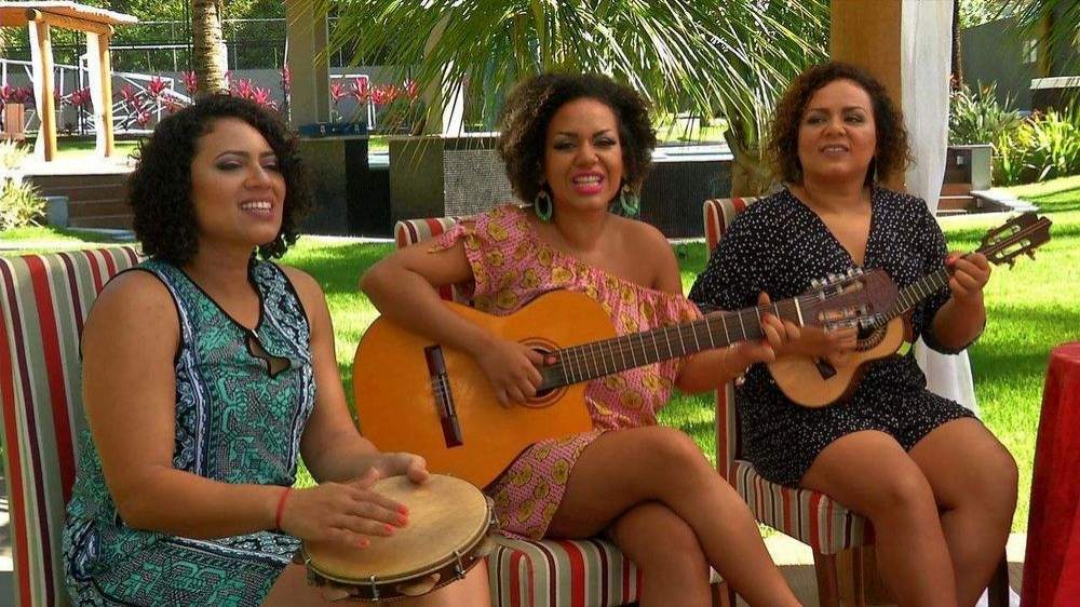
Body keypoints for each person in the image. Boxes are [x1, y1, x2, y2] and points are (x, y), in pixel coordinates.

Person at [361, 73, 801, 607]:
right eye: (565, 144)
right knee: (669, 448)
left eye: (604, 142)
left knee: (677, 546)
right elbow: (384, 279)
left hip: (622, 463)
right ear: (539, 162)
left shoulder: (651, 249)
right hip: (515, 458)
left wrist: (741, 354)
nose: (586, 157)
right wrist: (487, 346)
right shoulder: (510, 237)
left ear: (627, 156)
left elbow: (682, 368)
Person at [61, 95, 489, 607]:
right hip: (139, 551)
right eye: (230, 165)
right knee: (376, 597)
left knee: (446, 566)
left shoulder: (299, 293)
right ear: (178, 186)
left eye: (271, 165)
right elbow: (141, 496)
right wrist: (287, 507)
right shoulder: (142, 302)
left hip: (272, 533)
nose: (262, 180)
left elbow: (331, 441)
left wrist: (381, 472)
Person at [689, 61, 1018, 607]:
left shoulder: (909, 219)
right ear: (795, 137)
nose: (834, 129)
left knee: (993, 474)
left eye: (852, 118)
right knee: (902, 487)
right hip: (798, 411)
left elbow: (945, 336)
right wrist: (790, 341)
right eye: (816, 119)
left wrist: (968, 297)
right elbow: (702, 323)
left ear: (877, 137)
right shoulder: (763, 226)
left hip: (896, 395)